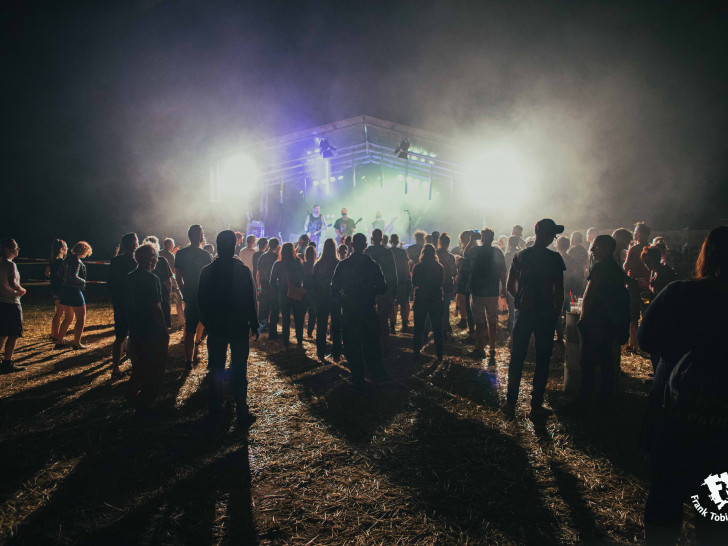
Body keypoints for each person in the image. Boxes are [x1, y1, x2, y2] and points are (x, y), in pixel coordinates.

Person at [637, 226, 728, 544]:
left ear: (706, 254)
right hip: (721, 426)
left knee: (665, 500)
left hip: (673, 410)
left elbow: (645, 339)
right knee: (715, 512)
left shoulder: (679, 292)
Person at [197, 230, 260, 428]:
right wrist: (254, 323)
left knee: (216, 367)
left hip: (216, 327)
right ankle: (241, 409)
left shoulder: (207, 271)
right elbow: (251, 299)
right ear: (234, 246)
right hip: (238, 325)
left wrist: (207, 321)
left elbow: (201, 300)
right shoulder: (242, 271)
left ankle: (216, 409)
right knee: (239, 368)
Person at [506, 219, 566, 415]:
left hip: (523, 314)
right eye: (553, 235)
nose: (553, 238)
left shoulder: (520, 256)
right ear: (547, 236)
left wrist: (521, 301)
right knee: (542, 359)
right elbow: (559, 290)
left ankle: (511, 402)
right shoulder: (555, 258)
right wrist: (556, 312)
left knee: (517, 357)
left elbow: (509, 286)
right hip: (546, 314)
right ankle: (536, 404)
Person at [575, 235, 628, 405]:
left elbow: (589, 294)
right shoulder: (616, 268)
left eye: (595, 247)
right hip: (610, 321)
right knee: (606, 360)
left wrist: (582, 319)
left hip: (595, 320)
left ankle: (584, 399)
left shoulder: (600, 267)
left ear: (606, 248)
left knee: (587, 361)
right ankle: (606, 397)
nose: (591, 250)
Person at [331, 233, 387, 389]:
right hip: (368, 309)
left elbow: (333, 289)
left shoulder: (344, 265)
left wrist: (344, 301)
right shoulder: (372, 264)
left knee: (351, 345)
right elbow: (383, 287)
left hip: (350, 311)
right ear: (365, 245)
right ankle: (376, 373)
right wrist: (371, 292)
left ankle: (357, 376)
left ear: (351, 245)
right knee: (371, 343)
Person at [124, 244, 169, 416]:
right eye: (155, 256)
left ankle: (131, 394)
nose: (156, 259)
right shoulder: (152, 279)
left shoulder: (129, 277)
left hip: (136, 327)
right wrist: (163, 330)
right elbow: (156, 307)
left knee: (140, 363)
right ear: (150, 259)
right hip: (152, 329)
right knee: (155, 368)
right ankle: (145, 402)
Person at [175, 225, 212, 370]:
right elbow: (210, 277)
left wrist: (184, 292)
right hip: (203, 296)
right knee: (210, 328)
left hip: (190, 295)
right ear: (201, 237)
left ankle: (188, 361)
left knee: (189, 330)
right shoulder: (205, 255)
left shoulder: (181, 253)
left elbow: (178, 276)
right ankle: (212, 360)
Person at [469, 228, 507, 359]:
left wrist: (471, 240)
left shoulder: (475, 251)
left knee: (479, 322)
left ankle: (480, 348)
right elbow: (503, 271)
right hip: (492, 291)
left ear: (483, 238)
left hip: (477, 291)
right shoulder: (497, 252)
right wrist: (504, 288)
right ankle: (492, 348)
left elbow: (466, 256)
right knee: (492, 321)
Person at [108, 233, 138, 378]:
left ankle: (115, 368)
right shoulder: (134, 262)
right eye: (135, 242)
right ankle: (133, 367)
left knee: (120, 336)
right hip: (130, 302)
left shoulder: (116, 260)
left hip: (120, 302)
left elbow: (110, 282)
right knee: (131, 336)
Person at [364, 229, 397, 353]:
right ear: (382, 239)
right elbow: (393, 273)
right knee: (383, 320)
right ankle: (385, 346)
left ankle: (371, 347)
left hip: (368, 290)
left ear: (372, 239)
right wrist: (394, 290)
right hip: (384, 289)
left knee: (369, 319)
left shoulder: (367, 252)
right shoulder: (387, 253)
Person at [56, 241, 93, 349]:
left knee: (68, 318)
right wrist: (83, 281)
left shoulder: (66, 259)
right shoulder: (76, 261)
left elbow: (60, 274)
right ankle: (76, 343)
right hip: (74, 290)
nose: (86, 255)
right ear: (83, 251)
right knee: (81, 318)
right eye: (86, 252)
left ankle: (59, 342)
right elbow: (73, 276)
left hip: (65, 289)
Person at [412, 244, 444, 360]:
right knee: (437, 328)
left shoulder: (418, 267)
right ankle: (439, 354)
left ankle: (416, 352)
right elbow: (441, 283)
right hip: (435, 298)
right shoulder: (439, 267)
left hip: (421, 298)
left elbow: (414, 282)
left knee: (418, 328)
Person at [270, 242, 306, 348]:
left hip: (282, 293)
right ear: (293, 250)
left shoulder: (278, 264)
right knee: (298, 318)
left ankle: (286, 342)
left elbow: (271, 281)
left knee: (285, 319)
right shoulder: (298, 262)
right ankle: (299, 340)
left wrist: (278, 291)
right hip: (295, 292)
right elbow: (304, 277)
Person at [312, 238, 342, 360]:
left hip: (321, 298)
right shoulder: (338, 264)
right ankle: (336, 353)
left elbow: (313, 283)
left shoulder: (318, 264)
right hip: (334, 298)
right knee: (336, 326)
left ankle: (320, 352)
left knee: (321, 326)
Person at [624, 222, 651, 350]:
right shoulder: (651, 248)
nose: (634, 233)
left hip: (634, 284)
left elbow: (626, 266)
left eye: (635, 231)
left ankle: (633, 343)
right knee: (646, 312)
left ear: (639, 234)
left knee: (633, 314)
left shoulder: (634, 249)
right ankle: (647, 341)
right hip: (647, 284)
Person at [0, 239, 26, 373]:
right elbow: (12, 282)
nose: (18, 250)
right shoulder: (10, 265)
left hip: (1, 302)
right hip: (11, 302)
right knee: (13, 333)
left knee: (2, 332)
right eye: (16, 248)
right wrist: (21, 290)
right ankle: (7, 362)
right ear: (7, 250)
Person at [144, 236, 173, 329]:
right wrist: (168, 295)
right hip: (161, 297)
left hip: (145, 299)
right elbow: (168, 281)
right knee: (162, 326)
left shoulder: (139, 261)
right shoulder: (162, 260)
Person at [555, 236, 579, 343]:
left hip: (558, 288)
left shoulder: (555, 258)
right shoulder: (571, 259)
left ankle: (560, 336)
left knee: (557, 313)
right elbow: (575, 275)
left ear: (558, 245)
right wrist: (574, 289)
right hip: (568, 288)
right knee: (567, 312)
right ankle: (569, 335)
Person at [256, 238, 280, 338]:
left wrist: (258, 287)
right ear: (277, 246)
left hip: (264, 284)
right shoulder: (277, 257)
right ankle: (273, 332)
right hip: (274, 285)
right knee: (274, 308)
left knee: (263, 307)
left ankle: (261, 330)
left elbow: (258, 273)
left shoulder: (262, 256)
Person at [389, 234, 411, 333]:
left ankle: (392, 324)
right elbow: (406, 267)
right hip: (402, 280)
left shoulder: (388, 252)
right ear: (398, 241)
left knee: (393, 303)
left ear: (390, 241)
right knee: (404, 303)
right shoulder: (402, 252)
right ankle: (404, 323)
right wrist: (407, 278)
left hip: (391, 281)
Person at [436, 233, 457, 338]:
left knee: (436, 307)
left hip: (435, 285)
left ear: (439, 243)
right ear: (448, 244)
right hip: (447, 284)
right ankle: (445, 328)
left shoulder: (434, 255)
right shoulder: (451, 257)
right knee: (445, 307)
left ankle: (437, 328)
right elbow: (454, 272)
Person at [46, 239, 67, 341]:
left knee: (58, 312)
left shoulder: (52, 261)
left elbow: (47, 273)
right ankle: (55, 334)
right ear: (62, 249)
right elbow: (63, 275)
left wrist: (53, 278)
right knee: (59, 312)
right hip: (61, 288)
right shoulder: (61, 262)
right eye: (66, 247)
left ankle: (53, 333)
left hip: (54, 287)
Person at [161, 237, 184, 326]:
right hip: (172, 283)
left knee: (164, 303)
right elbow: (174, 270)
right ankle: (181, 321)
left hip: (161, 282)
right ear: (170, 245)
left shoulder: (159, 253)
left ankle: (162, 322)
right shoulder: (170, 256)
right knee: (179, 301)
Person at [454, 230, 473, 328]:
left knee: (464, 299)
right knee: (464, 300)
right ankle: (465, 320)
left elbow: (466, 264)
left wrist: (459, 261)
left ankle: (465, 320)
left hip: (466, 277)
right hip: (467, 277)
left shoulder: (470, 249)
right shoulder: (472, 249)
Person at [503, 235, 520, 330]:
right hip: (520, 281)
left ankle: (511, 324)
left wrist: (503, 285)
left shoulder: (508, 255)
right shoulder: (521, 252)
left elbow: (505, 270)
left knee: (511, 304)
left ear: (509, 243)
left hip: (511, 280)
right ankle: (516, 323)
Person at [302, 245, 318, 338]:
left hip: (304, 291)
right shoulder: (316, 264)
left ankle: (298, 331)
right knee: (312, 313)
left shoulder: (303, 265)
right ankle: (309, 332)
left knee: (301, 312)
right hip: (314, 291)